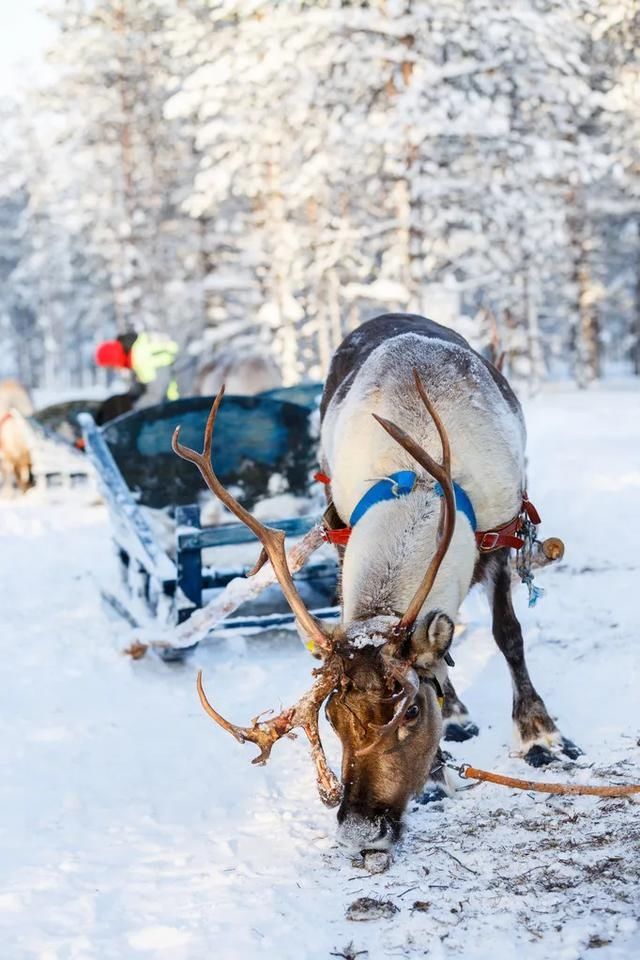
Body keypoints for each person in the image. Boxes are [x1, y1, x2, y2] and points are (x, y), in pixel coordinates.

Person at [95, 330, 179, 408]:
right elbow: (139, 389)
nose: (115, 369)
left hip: (181, 398)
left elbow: (155, 395)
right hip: (176, 400)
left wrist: (132, 412)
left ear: (114, 358)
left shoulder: (140, 356)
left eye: (112, 366)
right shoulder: (137, 347)